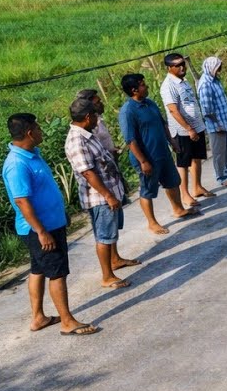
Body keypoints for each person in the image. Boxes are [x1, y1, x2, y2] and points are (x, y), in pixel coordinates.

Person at [2, 114, 98, 335]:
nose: (41, 131)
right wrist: (41, 231)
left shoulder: (32, 154)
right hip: (40, 229)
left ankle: (38, 317)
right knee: (56, 272)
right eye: (38, 128)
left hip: (49, 224)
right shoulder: (16, 163)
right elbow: (21, 200)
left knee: (38, 270)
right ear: (29, 133)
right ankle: (67, 321)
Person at [65, 97, 139, 289]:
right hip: (99, 197)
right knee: (104, 236)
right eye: (95, 115)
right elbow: (88, 173)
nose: (98, 118)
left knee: (111, 232)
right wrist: (108, 195)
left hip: (109, 191)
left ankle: (115, 260)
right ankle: (107, 276)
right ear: (87, 117)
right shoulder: (77, 141)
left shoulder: (88, 134)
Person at [118, 72, 196, 235]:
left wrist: (172, 142)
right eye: (142, 84)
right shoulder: (128, 111)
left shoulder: (150, 103)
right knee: (148, 190)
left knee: (173, 181)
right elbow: (130, 140)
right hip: (146, 158)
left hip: (163, 153)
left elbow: (163, 124)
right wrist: (143, 161)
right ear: (134, 90)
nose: (145, 86)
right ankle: (152, 223)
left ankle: (178, 209)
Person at [159, 53, 213, 206]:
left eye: (183, 63)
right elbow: (173, 110)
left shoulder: (184, 81)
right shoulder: (168, 86)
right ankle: (185, 194)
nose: (182, 67)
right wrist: (189, 128)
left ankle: (197, 187)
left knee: (197, 157)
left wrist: (196, 126)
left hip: (196, 126)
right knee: (183, 163)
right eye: (177, 65)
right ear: (169, 68)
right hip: (182, 131)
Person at [197, 55, 227, 187]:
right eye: (217, 68)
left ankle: (226, 171)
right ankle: (221, 177)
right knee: (218, 152)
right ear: (211, 67)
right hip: (216, 125)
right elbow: (206, 109)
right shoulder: (206, 84)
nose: (219, 70)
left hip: (224, 122)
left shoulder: (215, 80)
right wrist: (217, 124)